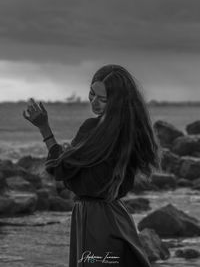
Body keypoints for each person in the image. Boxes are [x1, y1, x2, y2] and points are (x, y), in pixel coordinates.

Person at [23, 64, 161, 267]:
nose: (94, 102)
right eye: (92, 94)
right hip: (118, 216)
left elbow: (60, 169)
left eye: (102, 99)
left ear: (116, 101)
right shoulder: (131, 133)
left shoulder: (92, 128)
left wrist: (44, 128)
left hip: (94, 219)